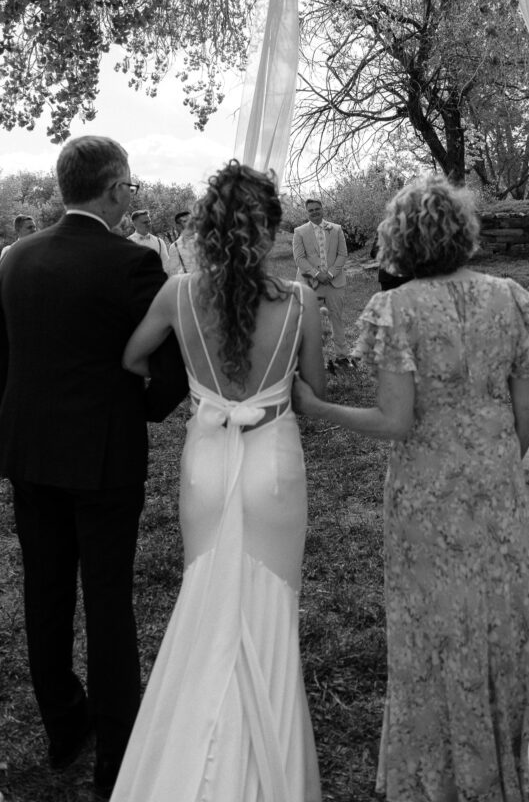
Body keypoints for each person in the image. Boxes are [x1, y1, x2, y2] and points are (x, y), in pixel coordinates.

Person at [294, 174, 529, 802]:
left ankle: (452, 764)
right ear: (463, 232)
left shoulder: (395, 309)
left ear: (400, 239)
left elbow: (394, 421)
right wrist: (501, 464)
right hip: (498, 478)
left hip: (424, 491)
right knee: (514, 609)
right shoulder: (511, 297)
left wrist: (315, 408)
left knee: (435, 619)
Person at [115, 161, 325, 802]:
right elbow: (314, 388)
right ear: (272, 231)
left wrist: (201, 389)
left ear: (206, 226)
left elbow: (131, 357)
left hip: (207, 461)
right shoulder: (299, 301)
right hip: (274, 465)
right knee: (268, 613)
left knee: (205, 600)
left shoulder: (177, 293)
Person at [0, 136, 187, 799]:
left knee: (44, 596)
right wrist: (143, 406)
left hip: (28, 453)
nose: (133, 198)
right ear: (112, 190)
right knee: (108, 607)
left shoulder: (13, 258)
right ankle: (115, 758)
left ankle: (63, 728)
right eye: (132, 188)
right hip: (104, 460)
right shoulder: (131, 264)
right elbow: (171, 367)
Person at [293, 198, 350, 364]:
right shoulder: (300, 232)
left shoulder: (336, 229)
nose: (315, 212)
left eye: (317, 209)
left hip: (334, 282)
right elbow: (299, 258)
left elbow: (343, 254)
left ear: (322, 209)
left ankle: (342, 356)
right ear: (307, 212)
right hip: (310, 283)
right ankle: (313, 358)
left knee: (336, 317)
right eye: (311, 210)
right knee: (310, 321)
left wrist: (331, 274)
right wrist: (317, 274)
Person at [165, 209, 198, 275]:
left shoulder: (205, 239)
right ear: (178, 226)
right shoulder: (174, 247)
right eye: (186, 221)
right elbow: (174, 273)